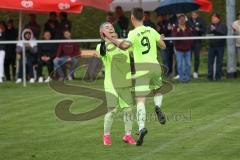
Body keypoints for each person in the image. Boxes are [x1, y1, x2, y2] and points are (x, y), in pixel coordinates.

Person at [102, 8, 167, 146]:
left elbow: (125, 46)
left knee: (140, 101)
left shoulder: (133, 33)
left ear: (132, 18)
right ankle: (157, 106)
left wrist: (111, 38)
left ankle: (141, 127)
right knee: (158, 90)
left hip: (142, 69)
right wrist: (159, 39)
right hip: (155, 66)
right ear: (144, 17)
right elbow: (163, 46)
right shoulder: (151, 30)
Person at [97, 22, 136, 146]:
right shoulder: (101, 46)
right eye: (107, 28)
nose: (110, 28)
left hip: (124, 81)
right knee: (112, 110)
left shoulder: (123, 44)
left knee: (128, 110)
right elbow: (102, 52)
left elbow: (133, 52)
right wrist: (107, 38)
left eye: (111, 27)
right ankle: (106, 136)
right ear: (102, 33)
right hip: (111, 83)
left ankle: (128, 135)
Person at [207, 13, 227, 81]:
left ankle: (218, 77)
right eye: (212, 18)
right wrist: (211, 31)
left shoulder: (223, 25)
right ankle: (210, 77)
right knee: (210, 62)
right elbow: (207, 34)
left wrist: (215, 30)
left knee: (219, 62)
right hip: (211, 46)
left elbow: (224, 33)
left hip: (220, 47)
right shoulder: (209, 25)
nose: (213, 19)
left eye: (215, 18)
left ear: (218, 18)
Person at [172, 14, 193, 83]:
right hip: (179, 50)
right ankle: (181, 78)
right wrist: (178, 32)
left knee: (188, 64)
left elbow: (191, 37)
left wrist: (190, 45)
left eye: (183, 19)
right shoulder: (175, 28)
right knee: (180, 64)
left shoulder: (188, 28)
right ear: (178, 20)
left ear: (185, 20)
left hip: (187, 49)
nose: (182, 20)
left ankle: (187, 78)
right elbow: (174, 38)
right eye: (180, 19)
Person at [188, 12, 206, 79]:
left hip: (197, 42)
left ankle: (195, 72)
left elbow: (204, 30)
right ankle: (188, 71)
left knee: (197, 57)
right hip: (189, 42)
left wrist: (199, 30)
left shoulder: (201, 20)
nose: (194, 16)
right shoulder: (188, 21)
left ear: (197, 15)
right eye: (193, 15)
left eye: (195, 15)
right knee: (188, 58)